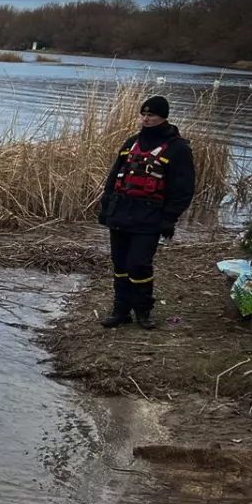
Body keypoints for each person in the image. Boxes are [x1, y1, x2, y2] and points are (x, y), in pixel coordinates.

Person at [97, 95, 196, 330]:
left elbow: (184, 189)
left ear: (163, 116)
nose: (146, 119)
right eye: (143, 114)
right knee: (120, 264)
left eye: (151, 115)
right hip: (121, 213)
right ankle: (121, 310)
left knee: (139, 264)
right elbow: (114, 177)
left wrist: (170, 218)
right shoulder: (131, 143)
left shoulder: (178, 148)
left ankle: (143, 311)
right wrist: (106, 205)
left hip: (150, 217)